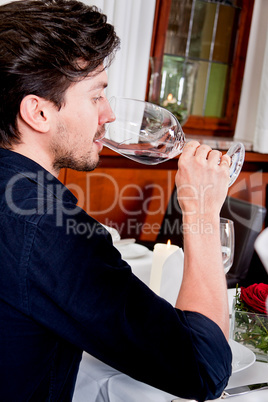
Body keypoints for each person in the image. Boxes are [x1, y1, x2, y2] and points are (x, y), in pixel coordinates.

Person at [0, 0, 232, 400]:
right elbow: (204, 367)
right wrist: (200, 210)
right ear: (37, 113)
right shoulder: (48, 226)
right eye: (96, 96)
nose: (108, 114)